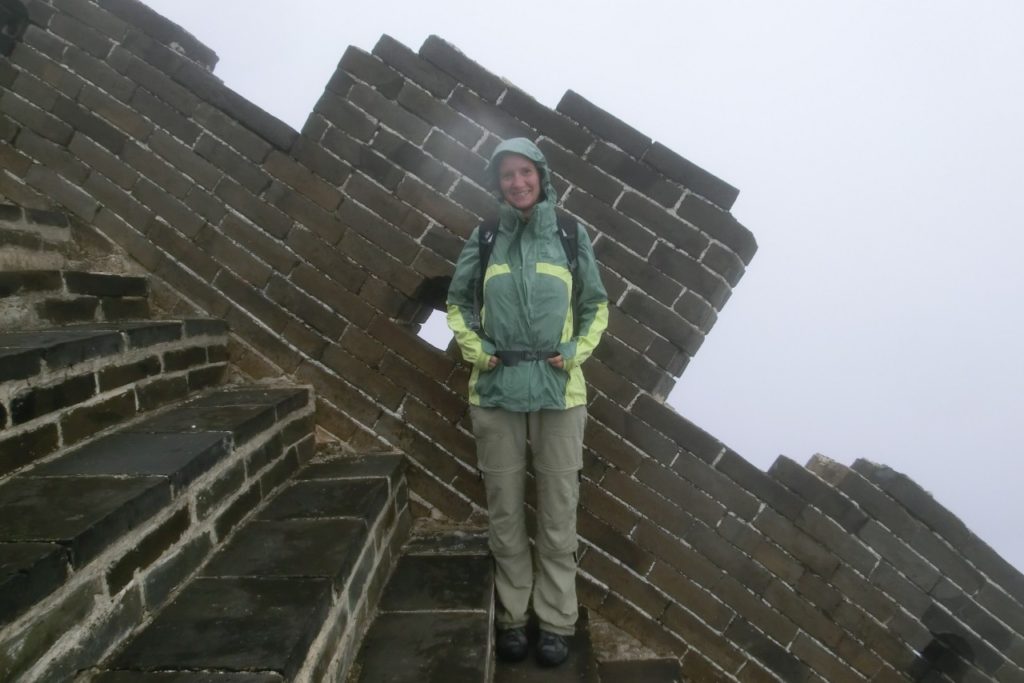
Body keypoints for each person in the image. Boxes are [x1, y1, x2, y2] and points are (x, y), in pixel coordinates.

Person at [446, 137, 608, 667]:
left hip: (561, 394)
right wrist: (477, 350)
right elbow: (457, 301)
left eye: (525, 172)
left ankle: (557, 620)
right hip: (495, 391)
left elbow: (596, 305)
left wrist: (576, 351)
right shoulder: (486, 235)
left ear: (541, 175)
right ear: (498, 183)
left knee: (559, 514)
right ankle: (513, 617)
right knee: (505, 511)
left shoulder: (568, 233)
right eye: (506, 175)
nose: (517, 182)